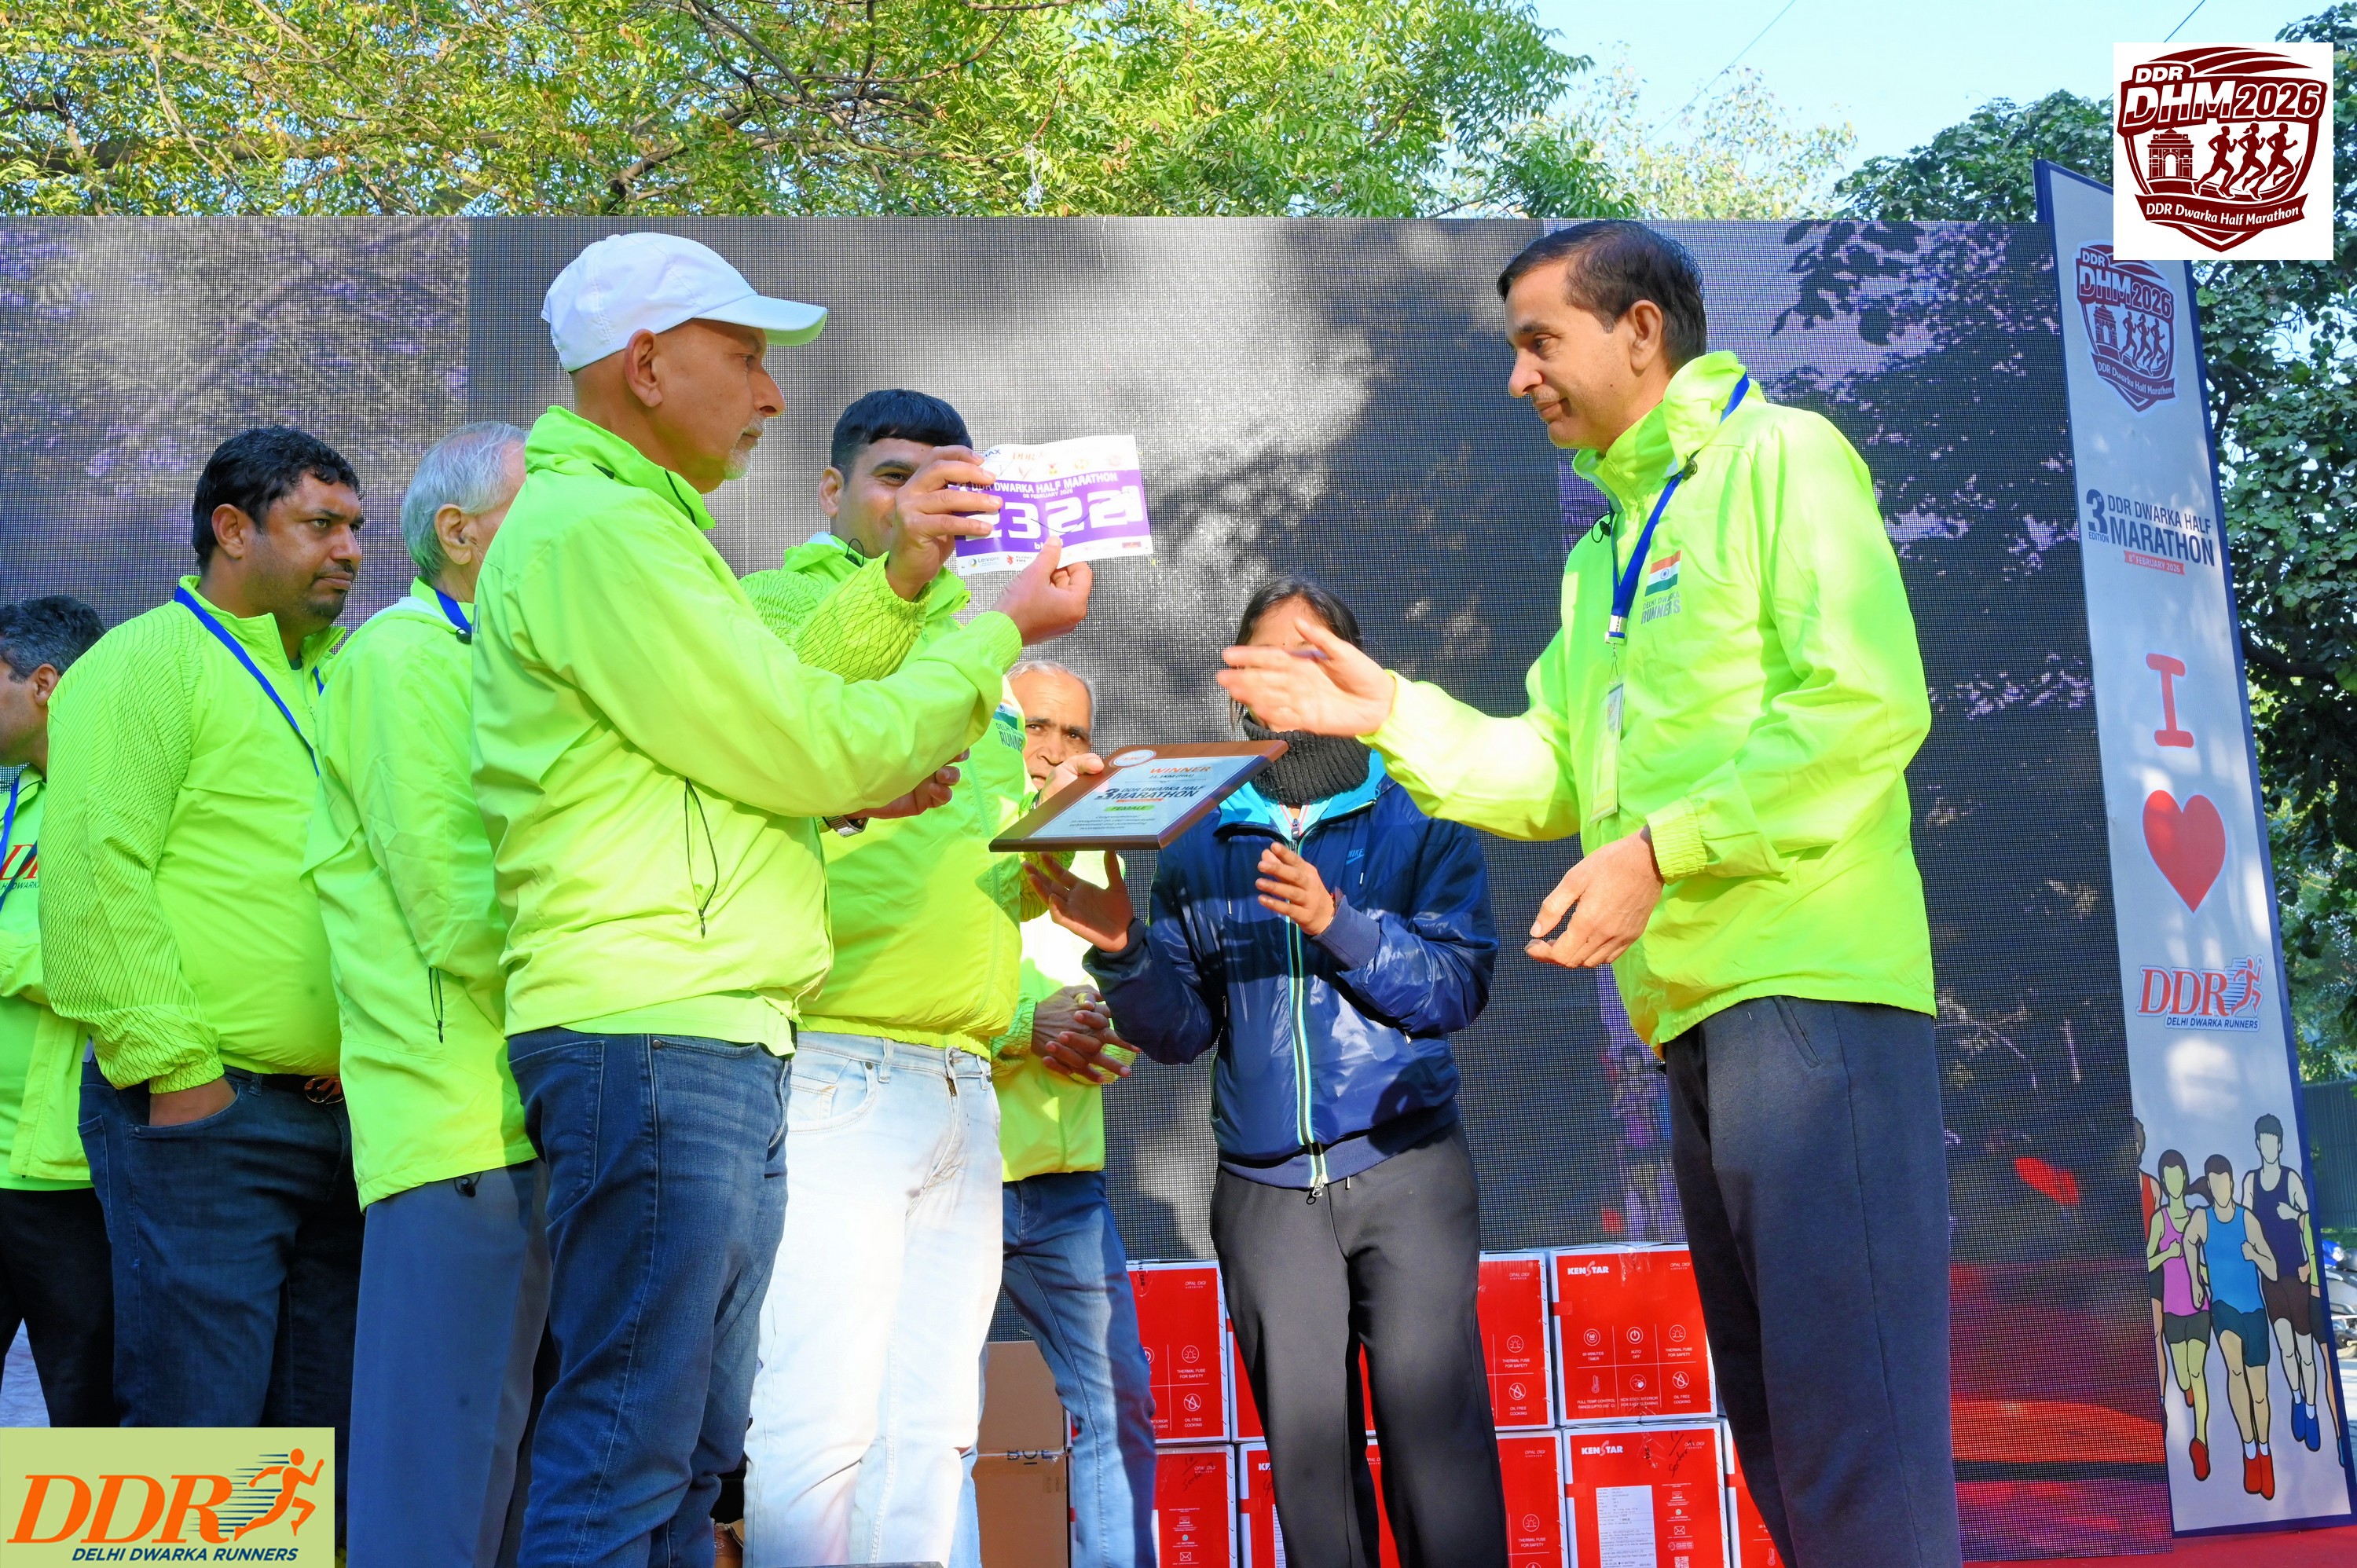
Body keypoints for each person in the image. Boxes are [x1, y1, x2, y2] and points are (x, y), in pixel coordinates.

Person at [1215, 222, 1957, 1565]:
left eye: (1539, 342)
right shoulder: (1602, 548)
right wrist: (1385, 712)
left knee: (1856, 1429)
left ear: (1641, 331)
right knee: (1781, 1429)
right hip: (1693, 1016)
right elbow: (1551, 772)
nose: (1519, 378)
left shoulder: (1780, 458)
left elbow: (1865, 706)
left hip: (1815, 998)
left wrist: (1660, 852)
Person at [472, 238, 1091, 1567]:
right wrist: (995, 636)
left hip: (719, 1025)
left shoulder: (644, 528)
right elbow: (806, 736)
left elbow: (783, 707)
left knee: (690, 1449)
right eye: (746, 358)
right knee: (639, 1443)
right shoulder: (601, 531)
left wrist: (911, 609)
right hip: (657, 1025)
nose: (768, 394)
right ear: (646, 366)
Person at [1035, 579, 1505, 1568]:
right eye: (1268, 657)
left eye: (1315, 654)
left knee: (1439, 1454)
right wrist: (1122, 949)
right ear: (1238, 684)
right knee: (1311, 1476)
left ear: (1352, 670)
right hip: (1265, 1193)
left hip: (1407, 1166)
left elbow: (1456, 986)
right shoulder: (1202, 833)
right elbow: (1182, 1029)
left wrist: (1340, 923)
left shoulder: (1421, 811)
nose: (1290, 678)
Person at [735, 389, 1094, 1566]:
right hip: (834, 1062)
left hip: (965, 1079)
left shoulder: (982, 644)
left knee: (936, 1429)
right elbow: (793, 743)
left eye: (952, 487)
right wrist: (944, 602)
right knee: (820, 1415)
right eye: (896, 479)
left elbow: (969, 871)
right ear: (829, 492)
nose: (926, 505)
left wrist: (1064, 852)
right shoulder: (777, 607)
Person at [43, 428, 366, 1508]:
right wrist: (180, 1078)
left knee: (314, 1442)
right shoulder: (144, 661)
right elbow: (96, 875)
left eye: (356, 527)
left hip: (343, 1118)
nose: (350, 549)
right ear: (233, 529)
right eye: (320, 523)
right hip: (207, 1115)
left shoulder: (339, 679)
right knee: (200, 1431)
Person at [304, 421, 546, 1566]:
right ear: (459, 533)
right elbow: (454, 901)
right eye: (541, 516)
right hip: (458, 1123)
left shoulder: (508, 661)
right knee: (438, 1490)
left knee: (504, 1478)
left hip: (524, 1110)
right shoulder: (404, 657)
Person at [984, 658, 1158, 1568]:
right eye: (1035, 726)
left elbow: (1127, 999)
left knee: (1119, 1404)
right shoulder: (951, 822)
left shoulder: (1097, 845)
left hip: (1065, 1189)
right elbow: (900, 986)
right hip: (955, 1175)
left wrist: (1107, 1031)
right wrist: (1029, 1025)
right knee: (930, 1420)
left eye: (1075, 732)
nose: (1053, 750)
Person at [0, 595, 112, 1426]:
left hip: (74, 1174)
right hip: (1, 1162)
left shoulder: (118, 796)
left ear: (43, 684)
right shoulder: (17, 803)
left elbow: (107, 962)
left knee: (93, 1417)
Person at [2243, 1113, 2333, 1454]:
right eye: (2264, 1141)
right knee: (2286, 1347)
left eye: (2274, 1142)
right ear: (2258, 1144)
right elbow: (2244, 1222)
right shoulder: (2251, 1182)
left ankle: (2311, 1409)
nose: (2269, 1147)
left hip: (2297, 1276)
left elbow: (2309, 1221)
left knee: (2305, 1351)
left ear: (2280, 1145)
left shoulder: (2291, 1179)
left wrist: (2293, 1215)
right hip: (2270, 1279)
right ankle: (2297, 1397)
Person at [2190, 1153, 2278, 1498]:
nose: (2221, 1189)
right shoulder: (2203, 1218)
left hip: (2254, 1311)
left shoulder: (2247, 1219)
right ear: (2211, 1187)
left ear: (2230, 1182)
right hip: (2224, 1308)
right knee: (2235, 1370)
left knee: (2260, 1391)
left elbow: (2272, 1269)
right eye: (2214, 1184)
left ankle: (2265, 1452)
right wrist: (2197, 1281)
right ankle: (2249, 1451)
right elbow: (2188, 1241)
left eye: (2224, 1182)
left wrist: (2254, 1255)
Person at [2147, 1149, 2212, 1481]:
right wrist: (2167, 1253)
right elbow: (2146, 1262)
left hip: (2199, 1307)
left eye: (2178, 1176)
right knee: (2184, 1376)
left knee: (2197, 1374)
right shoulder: (2160, 1219)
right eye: (2168, 1177)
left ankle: (2201, 1442)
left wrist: (2205, 1273)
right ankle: (2185, 1387)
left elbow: (2209, 1257)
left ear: (2184, 1178)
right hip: (2172, 1308)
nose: (2174, 1182)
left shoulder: (2196, 1216)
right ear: (2164, 1181)